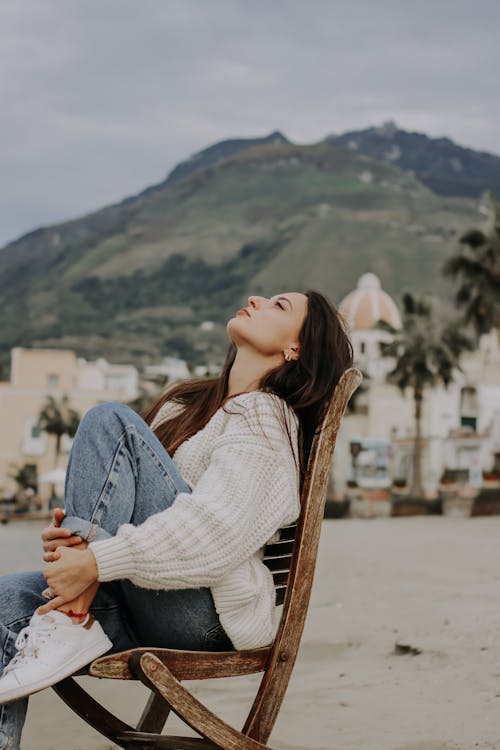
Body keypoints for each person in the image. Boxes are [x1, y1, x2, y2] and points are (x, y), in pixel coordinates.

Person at [0, 290, 353, 749]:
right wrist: (76, 539)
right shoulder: (185, 406)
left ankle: (70, 615)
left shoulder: (267, 417)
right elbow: (123, 500)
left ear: (295, 349)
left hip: (202, 615)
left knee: (110, 421)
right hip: (137, 599)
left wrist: (94, 561)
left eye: (279, 306)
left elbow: (217, 533)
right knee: (6, 601)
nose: (256, 298)